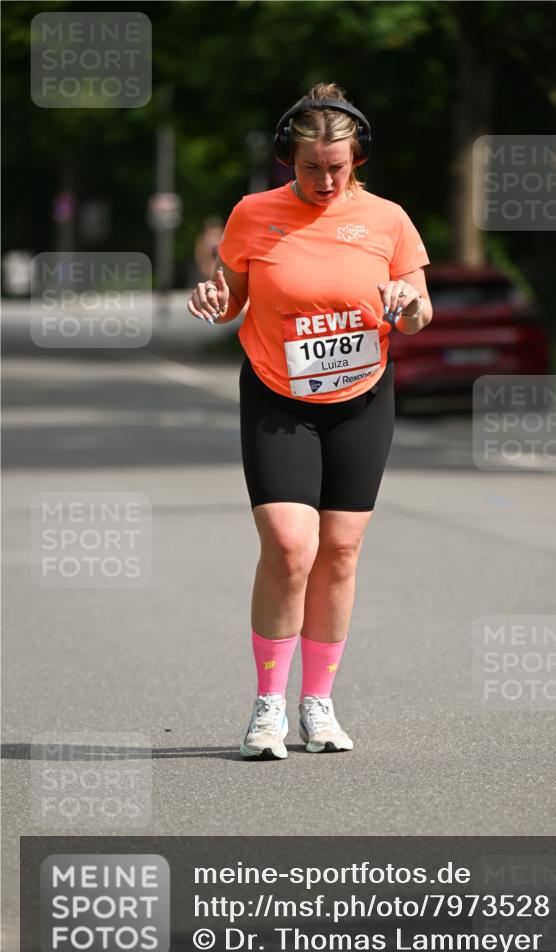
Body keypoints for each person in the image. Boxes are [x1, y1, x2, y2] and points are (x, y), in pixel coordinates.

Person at [186, 82, 432, 760]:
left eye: (337, 167)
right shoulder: (251, 215)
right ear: (285, 161)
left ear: (358, 160)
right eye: (309, 168)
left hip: (361, 398)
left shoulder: (387, 220)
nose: (324, 180)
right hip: (276, 396)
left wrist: (406, 300)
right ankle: (267, 709)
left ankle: (317, 706)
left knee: (341, 552)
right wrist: (213, 295)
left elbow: (419, 315)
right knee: (292, 546)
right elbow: (230, 297)